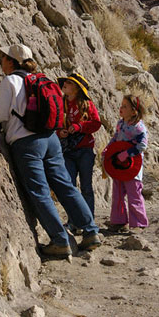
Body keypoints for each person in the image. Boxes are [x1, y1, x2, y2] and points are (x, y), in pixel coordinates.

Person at [0, 43, 101, 258]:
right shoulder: (43, 80)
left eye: (4, 57)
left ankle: (60, 241)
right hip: (51, 139)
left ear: (12, 62)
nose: (1, 61)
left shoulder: (9, 81)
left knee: (40, 192)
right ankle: (91, 232)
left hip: (26, 142)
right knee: (66, 186)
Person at [57, 74, 101, 227]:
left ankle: (88, 223)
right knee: (69, 186)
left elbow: (96, 123)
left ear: (76, 88)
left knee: (86, 187)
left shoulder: (87, 105)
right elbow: (55, 123)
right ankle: (73, 221)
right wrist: (59, 132)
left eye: (69, 83)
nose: (65, 85)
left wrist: (79, 127)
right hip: (67, 150)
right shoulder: (61, 103)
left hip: (85, 150)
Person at [102, 94, 149, 233]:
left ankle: (138, 224)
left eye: (125, 106)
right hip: (118, 165)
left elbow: (142, 145)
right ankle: (119, 222)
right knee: (117, 193)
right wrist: (108, 149)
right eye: (121, 105)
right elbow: (116, 137)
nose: (120, 108)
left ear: (134, 111)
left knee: (134, 193)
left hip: (132, 167)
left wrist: (127, 153)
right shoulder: (120, 123)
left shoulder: (139, 128)